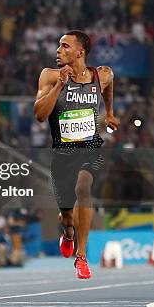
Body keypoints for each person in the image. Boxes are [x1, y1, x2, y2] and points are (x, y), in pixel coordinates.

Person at [34, 30, 119, 279]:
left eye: (64, 46)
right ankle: (69, 232)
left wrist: (110, 112)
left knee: (84, 188)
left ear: (80, 52)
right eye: (59, 46)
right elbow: (40, 114)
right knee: (67, 214)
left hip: (90, 148)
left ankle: (81, 257)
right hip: (62, 153)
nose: (58, 51)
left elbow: (109, 83)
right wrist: (61, 84)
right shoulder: (49, 76)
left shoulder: (101, 74)